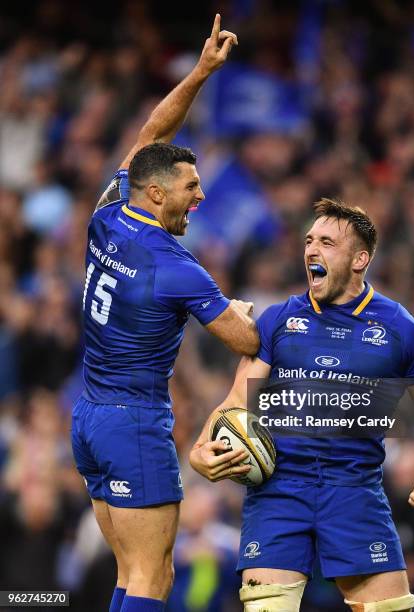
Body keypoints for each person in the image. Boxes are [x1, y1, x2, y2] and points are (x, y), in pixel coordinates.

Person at [71, 15, 259, 612]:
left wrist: (201, 72)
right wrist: (253, 312)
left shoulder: (107, 214)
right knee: (153, 578)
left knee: (131, 574)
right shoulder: (176, 266)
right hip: (134, 423)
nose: (200, 198)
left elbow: (153, 133)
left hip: (90, 417)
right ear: (156, 193)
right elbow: (247, 339)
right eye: (190, 189)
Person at [190, 198, 414, 612]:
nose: (311, 250)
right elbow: (236, 401)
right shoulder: (278, 320)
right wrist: (200, 450)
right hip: (278, 490)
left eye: (327, 243)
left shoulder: (403, 329)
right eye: (309, 240)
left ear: (359, 259)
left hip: (355, 489)